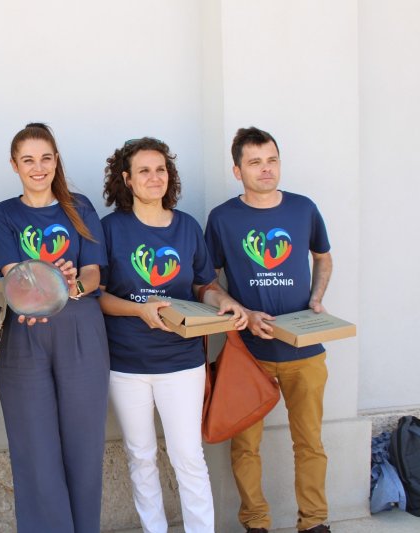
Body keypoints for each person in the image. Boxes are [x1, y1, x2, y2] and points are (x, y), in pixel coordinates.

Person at [99, 137, 247, 533]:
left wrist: (224, 301)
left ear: (170, 175)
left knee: (188, 456)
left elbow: (203, 285)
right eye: (144, 170)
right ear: (127, 179)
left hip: (182, 361)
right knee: (141, 456)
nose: (154, 177)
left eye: (161, 169)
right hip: (126, 363)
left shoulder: (187, 226)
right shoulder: (110, 229)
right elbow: (98, 297)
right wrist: (137, 309)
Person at [205, 127, 333, 533]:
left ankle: (314, 523)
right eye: (255, 162)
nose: (265, 169)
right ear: (237, 169)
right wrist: (241, 312)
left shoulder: (303, 208)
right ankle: (255, 524)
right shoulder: (223, 218)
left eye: (272, 160)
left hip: (304, 351)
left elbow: (324, 259)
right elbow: (207, 282)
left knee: (310, 444)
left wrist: (316, 299)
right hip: (249, 354)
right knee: (245, 448)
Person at [0, 122, 110, 533]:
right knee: (34, 450)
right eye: (28, 160)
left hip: (81, 331)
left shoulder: (81, 206)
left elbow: (94, 274)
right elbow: (12, 275)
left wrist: (73, 284)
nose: (37, 167)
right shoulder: (3, 214)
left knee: (84, 446)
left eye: (45, 158)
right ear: (14, 165)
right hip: (26, 335)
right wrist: (45, 284)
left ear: (56, 161)